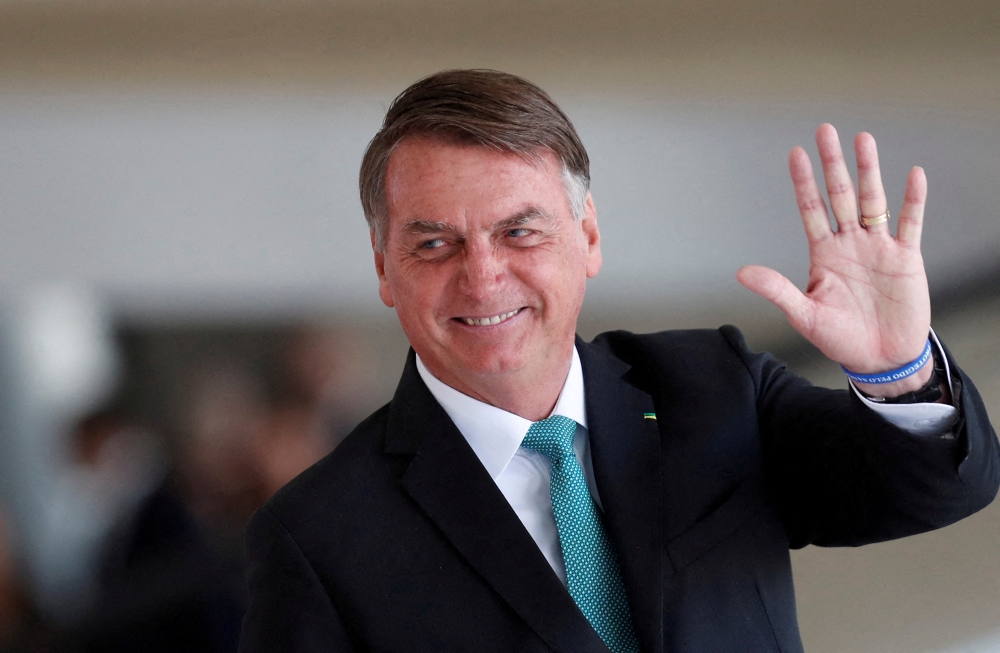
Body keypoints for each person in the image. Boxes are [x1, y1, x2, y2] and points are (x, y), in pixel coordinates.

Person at [238, 70, 999, 653]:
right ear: (383, 267)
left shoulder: (714, 390)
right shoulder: (315, 538)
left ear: (589, 238)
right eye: (436, 243)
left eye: (520, 232)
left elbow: (931, 492)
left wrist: (898, 371)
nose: (483, 278)